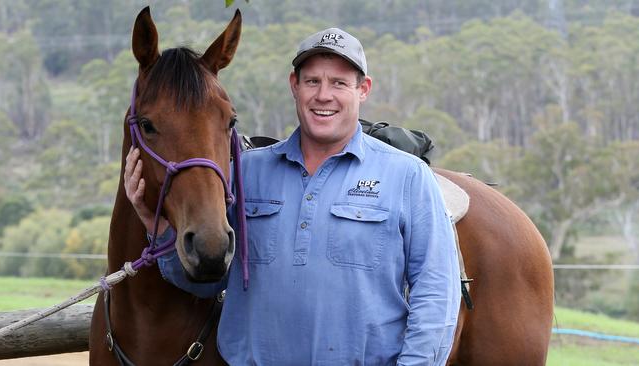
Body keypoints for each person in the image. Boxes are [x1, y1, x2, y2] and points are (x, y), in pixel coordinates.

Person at [125, 27, 460, 365]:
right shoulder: (246, 173)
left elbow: (436, 295)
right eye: (312, 81)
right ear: (294, 86)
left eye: (339, 83)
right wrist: (153, 222)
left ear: (363, 90)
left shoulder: (408, 176)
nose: (323, 95)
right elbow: (207, 282)